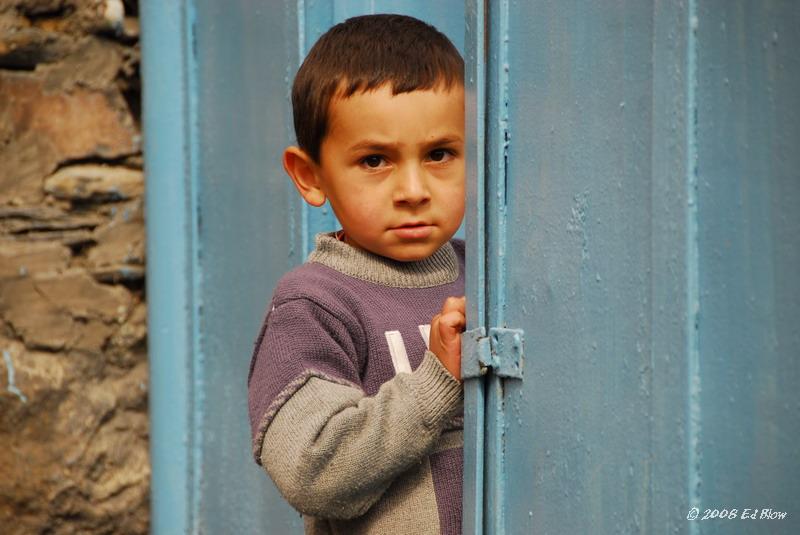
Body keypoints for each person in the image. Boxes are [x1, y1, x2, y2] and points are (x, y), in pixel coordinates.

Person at [247, 14, 466, 534]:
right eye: (374, 160)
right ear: (311, 175)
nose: (413, 189)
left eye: (439, 154)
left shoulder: (492, 277)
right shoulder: (315, 305)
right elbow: (309, 467)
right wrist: (433, 384)